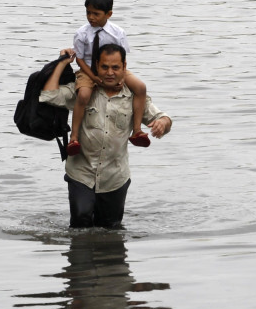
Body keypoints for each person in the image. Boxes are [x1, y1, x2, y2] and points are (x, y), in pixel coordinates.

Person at [40, 44, 172, 228]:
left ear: (124, 67)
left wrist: (162, 124)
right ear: (95, 66)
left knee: (111, 228)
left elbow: (162, 117)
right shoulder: (83, 92)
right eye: (104, 67)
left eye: (115, 67)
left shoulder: (134, 97)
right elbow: (48, 95)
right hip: (81, 173)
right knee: (80, 222)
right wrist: (62, 63)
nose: (110, 72)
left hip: (115, 178)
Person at [68, 0, 149, 157]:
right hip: (89, 70)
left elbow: (123, 59)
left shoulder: (118, 33)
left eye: (96, 14)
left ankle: (136, 130)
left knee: (140, 87)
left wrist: (120, 76)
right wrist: (94, 78)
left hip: (114, 69)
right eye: (88, 13)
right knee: (83, 95)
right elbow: (80, 60)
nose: (91, 17)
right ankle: (74, 137)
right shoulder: (82, 33)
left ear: (109, 14)